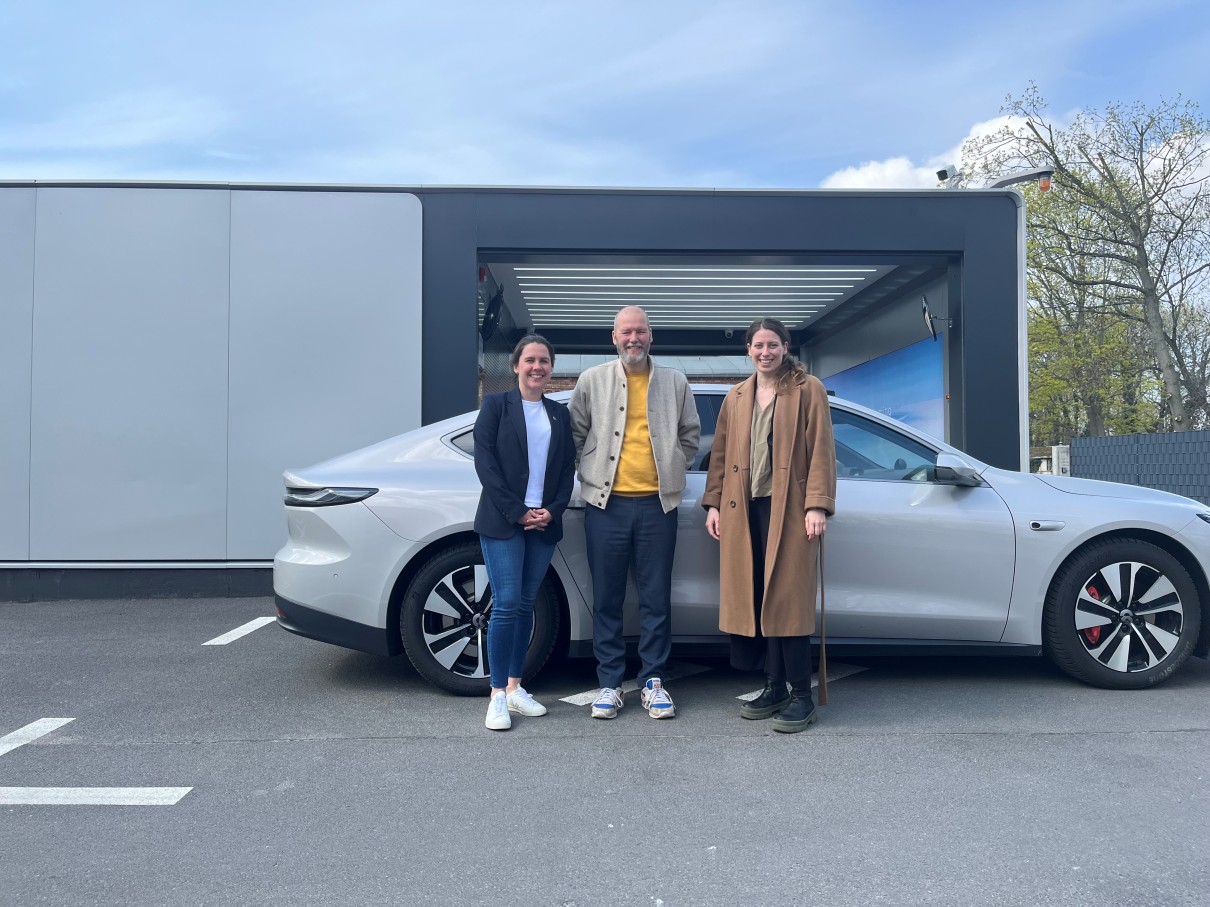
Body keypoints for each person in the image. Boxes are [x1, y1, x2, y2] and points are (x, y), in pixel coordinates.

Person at [702, 318, 836, 733]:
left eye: (772, 345)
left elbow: (821, 450)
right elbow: (719, 455)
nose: (765, 352)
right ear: (748, 349)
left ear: (785, 346)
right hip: (744, 510)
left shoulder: (806, 388)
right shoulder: (737, 396)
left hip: (790, 510)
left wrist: (817, 506)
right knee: (758, 597)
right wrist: (713, 504)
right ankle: (773, 685)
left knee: (787, 600)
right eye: (758, 345)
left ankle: (801, 694)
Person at [569, 306, 700, 719]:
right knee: (606, 596)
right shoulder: (592, 380)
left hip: (657, 505)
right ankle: (609, 683)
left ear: (651, 335)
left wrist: (674, 462)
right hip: (605, 506)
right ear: (614, 337)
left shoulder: (675, 382)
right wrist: (589, 470)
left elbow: (690, 436)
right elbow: (574, 434)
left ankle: (653, 682)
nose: (633, 339)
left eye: (640, 331)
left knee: (655, 597)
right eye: (626, 332)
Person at [473, 334, 576, 731]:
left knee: (526, 603)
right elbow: (486, 465)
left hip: (543, 523)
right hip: (504, 521)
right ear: (516, 365)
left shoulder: (557, 414)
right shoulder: (496, 406)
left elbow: (566, 468)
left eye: (544, 361)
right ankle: (497, 694)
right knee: (507, 602)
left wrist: (551, 510)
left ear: (552, 368)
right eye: (530, 360)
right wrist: (518, 512)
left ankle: (516, 688)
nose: (537, 367)